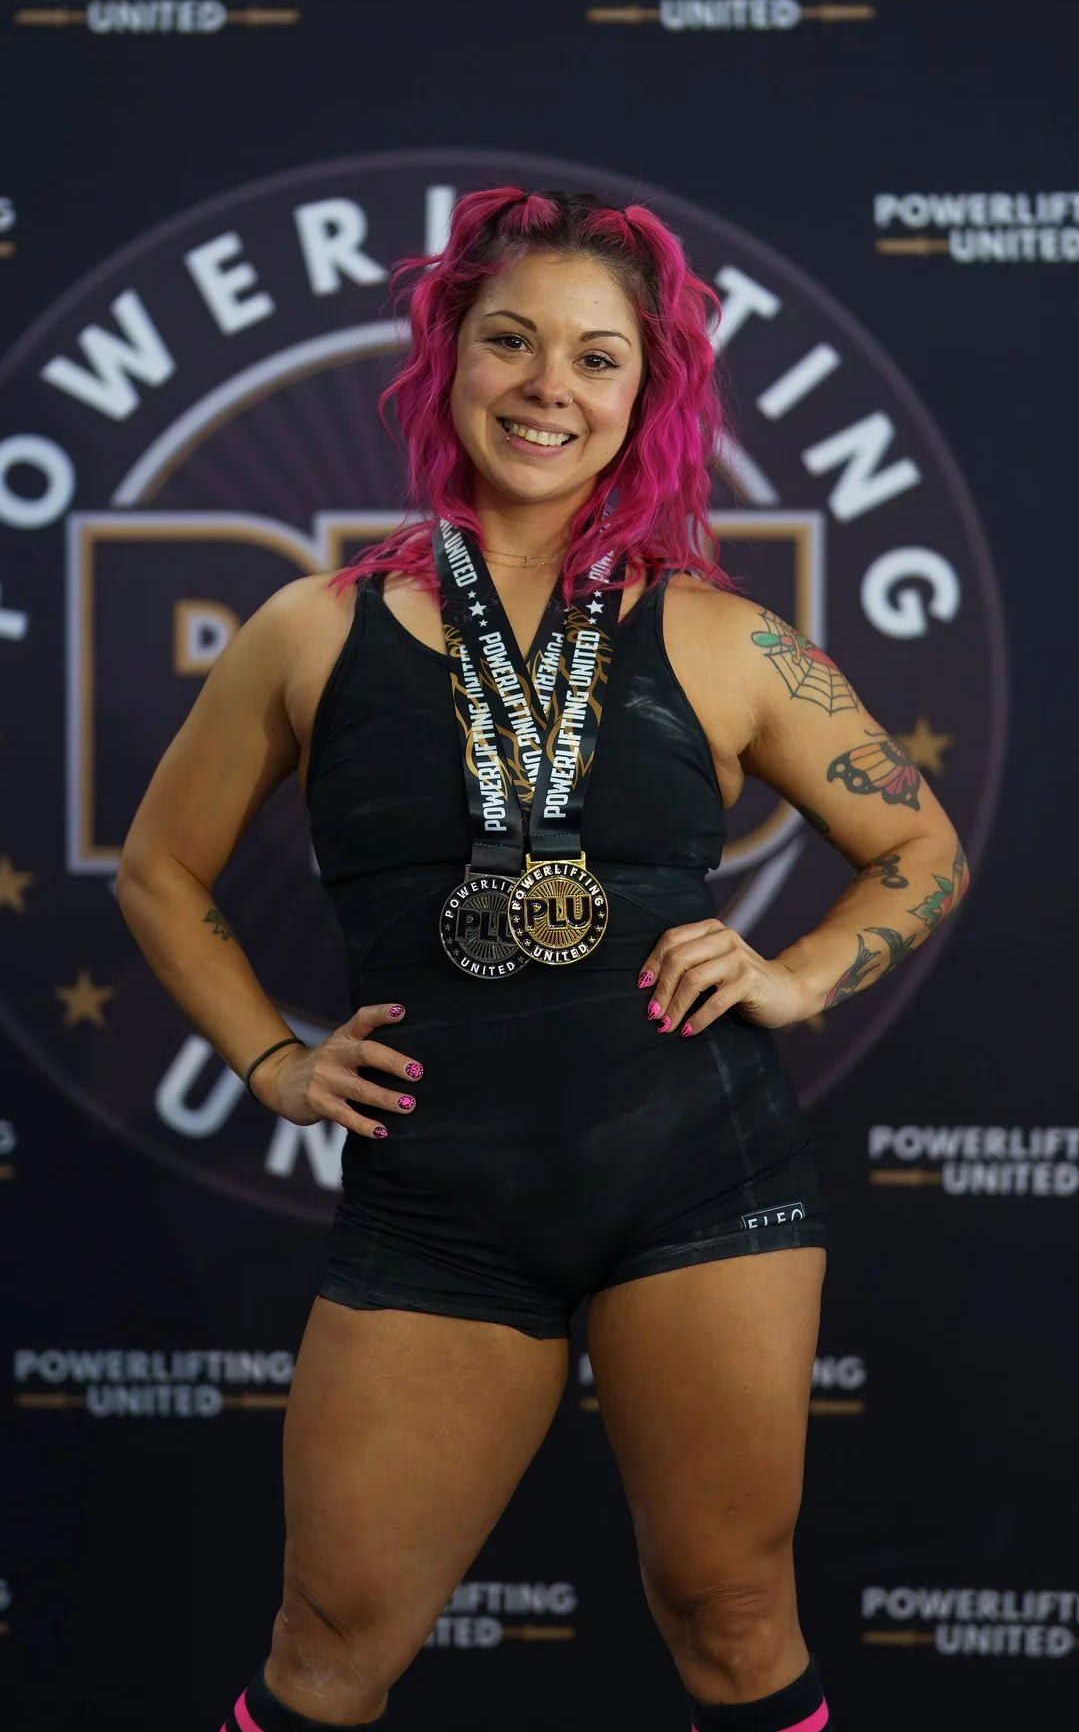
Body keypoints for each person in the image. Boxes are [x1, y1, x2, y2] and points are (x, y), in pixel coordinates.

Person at [118, 188, 966, 1731]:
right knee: (329, 1641)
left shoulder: (720, 635)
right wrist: (271, 1058)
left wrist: (793, 976)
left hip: (698, 1180)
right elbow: (161, 873)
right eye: (512, 342)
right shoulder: (307, 630)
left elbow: (922, 849)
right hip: (439, 1202)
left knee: (732, 1611)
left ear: (645, 394)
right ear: (448, 359)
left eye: (596, 358)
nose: (548, 389)